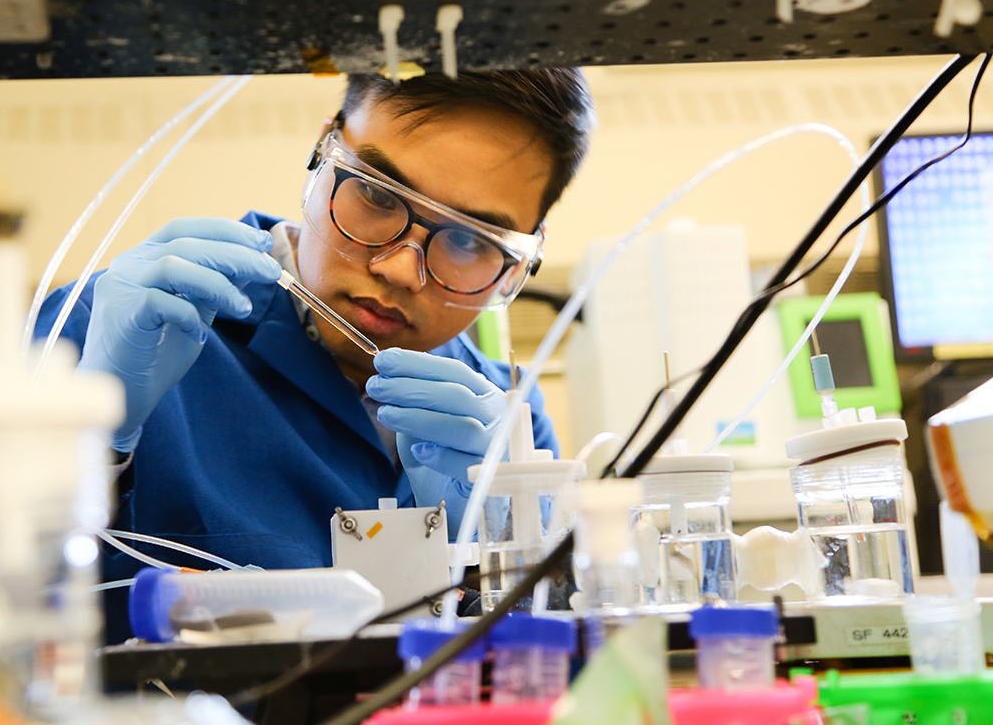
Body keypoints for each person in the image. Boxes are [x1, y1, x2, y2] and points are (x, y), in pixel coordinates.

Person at [36, 69, 595, 643]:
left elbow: (551, 671)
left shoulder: (506, 419)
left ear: (522, 262)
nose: (400, 269)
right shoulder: (126, 325)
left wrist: (500, 549)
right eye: (377, 194)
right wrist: (90, 450)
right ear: (323, 150)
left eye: (469, 240)